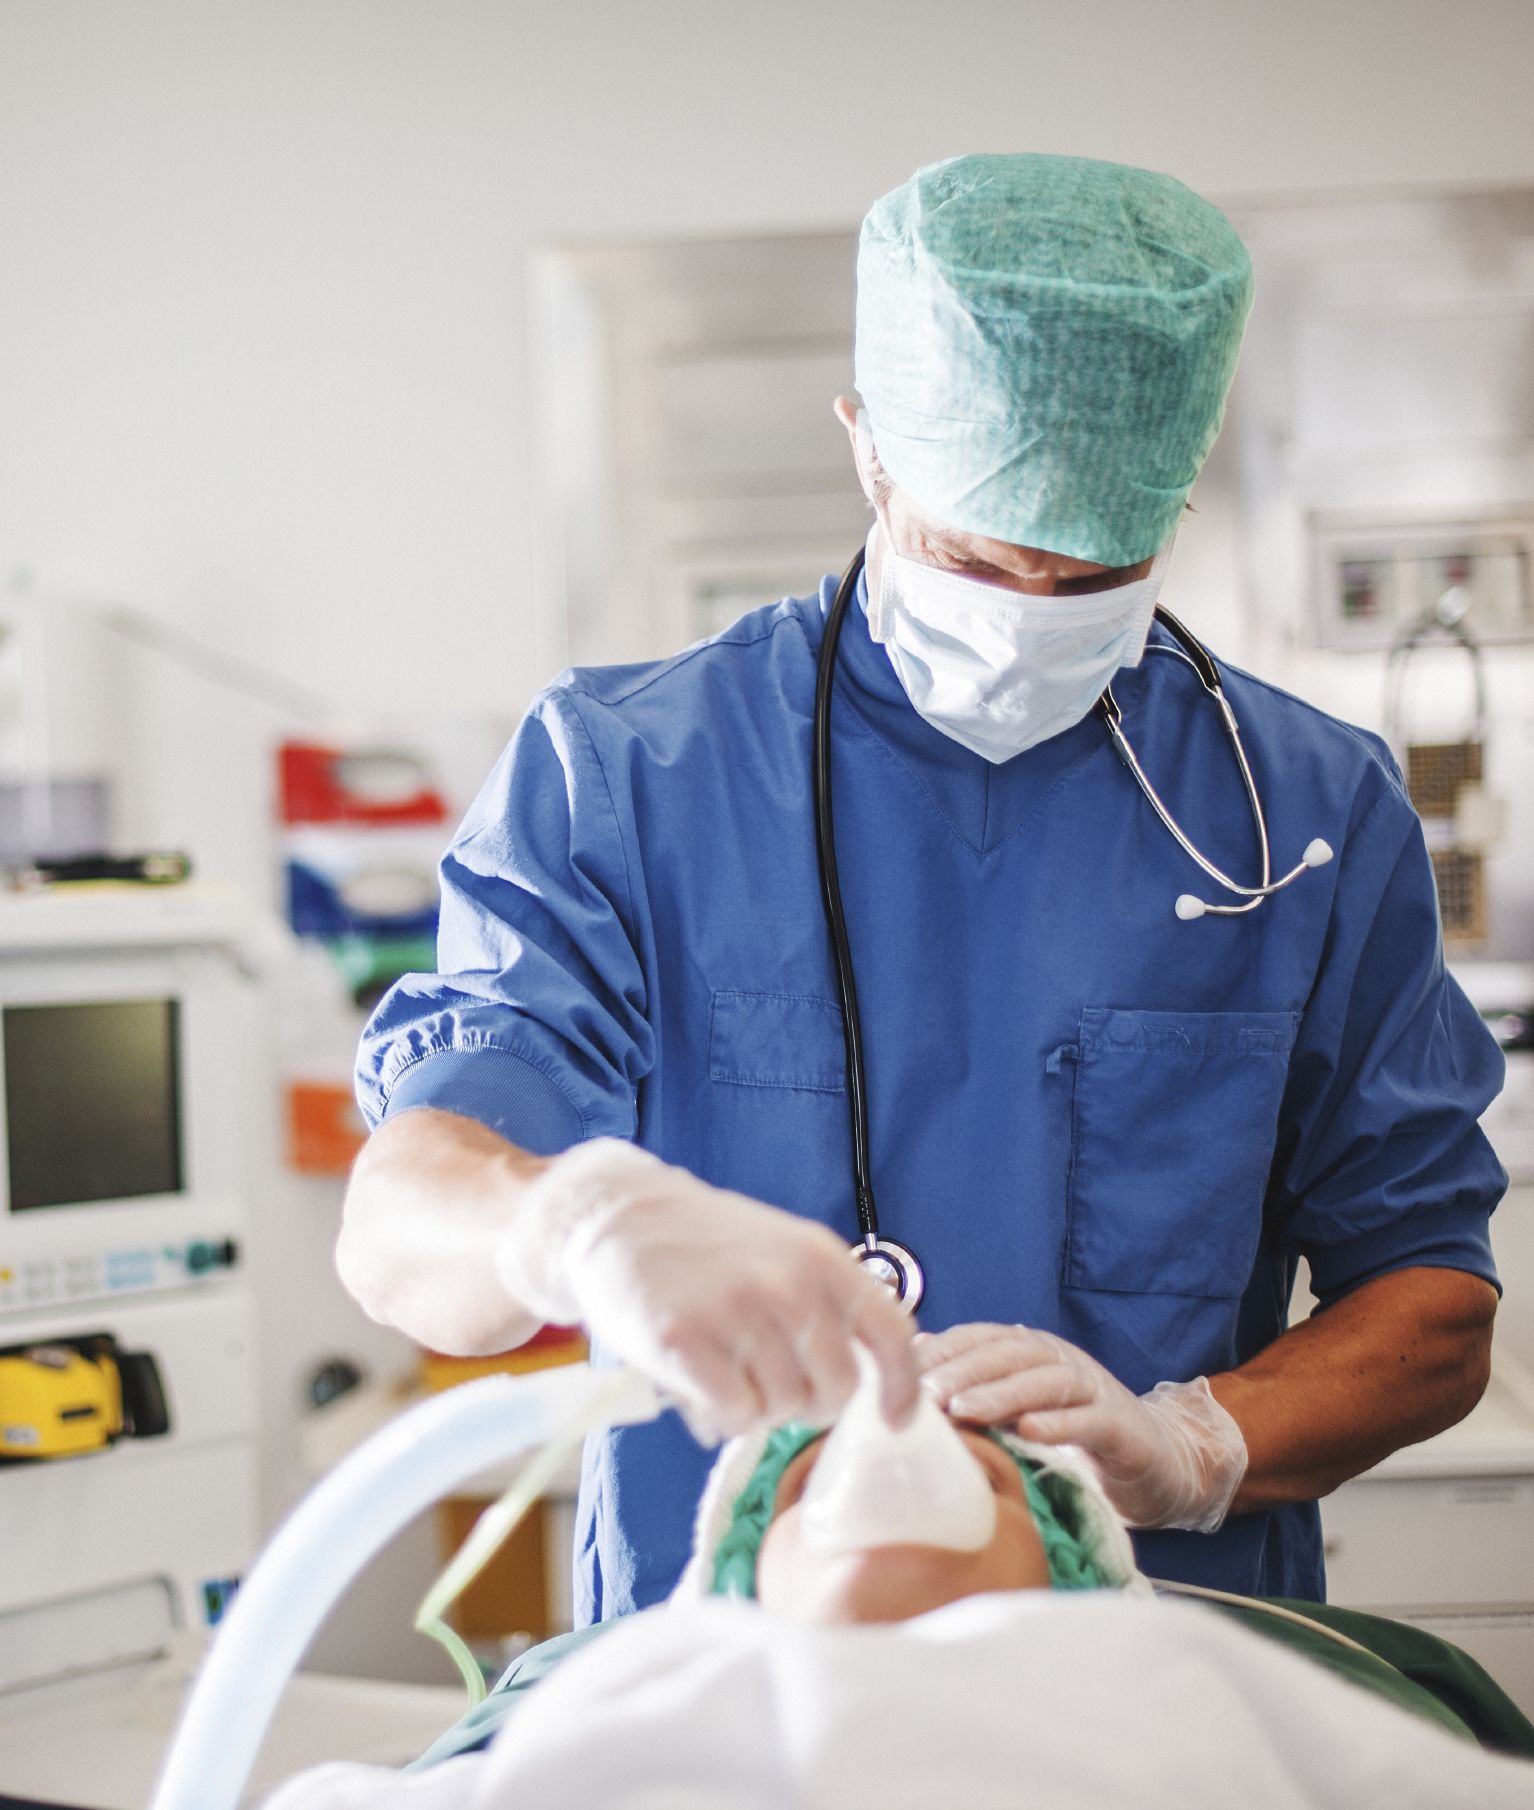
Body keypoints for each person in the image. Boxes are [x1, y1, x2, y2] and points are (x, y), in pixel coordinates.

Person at [338, 152, 1505, 1621]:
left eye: (1088, 577)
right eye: (974, 555)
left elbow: (1433, 1310)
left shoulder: (1302, 814)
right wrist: (564, 1223)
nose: (1025, 618)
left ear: (1173, 496)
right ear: (866, 445)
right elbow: (400, 1226)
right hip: (727, 1670)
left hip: (1164, 1662)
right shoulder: (632, 774)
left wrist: (1195, 1443)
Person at [263, 1382, 1534, 1809]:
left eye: (982, 1465)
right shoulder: (600, 1709)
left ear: (1079, 1562)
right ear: (733, 1578)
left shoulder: (1243, 1697)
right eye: (809, 1478)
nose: (892, 1436)